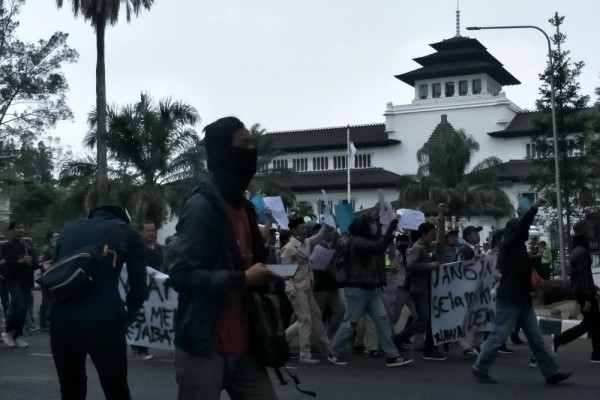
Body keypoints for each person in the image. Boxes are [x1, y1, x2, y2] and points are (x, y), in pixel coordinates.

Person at [168, 116, 285, 400]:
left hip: (246, 344)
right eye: (244, 145)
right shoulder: (201, 206)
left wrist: (271, 276)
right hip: (205, 344)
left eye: (252, 145)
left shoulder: (245, 208)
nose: (251, 152)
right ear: (223, 152)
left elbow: (248, 266)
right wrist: (243, 279)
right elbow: (181, 274)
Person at [49, 205, 148, 399]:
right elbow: (139, 287)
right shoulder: (127, 232)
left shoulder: (68, 229)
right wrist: (131, 313)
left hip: (62, 319)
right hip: (105, 320)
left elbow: (56, 272)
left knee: (70, 390)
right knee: (115, 388)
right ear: (123, 218)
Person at [472, 197, 573, 385]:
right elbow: (522, 228)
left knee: (535, 338)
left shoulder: (515, 249)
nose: (526, 232)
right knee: (498, 335)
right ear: (515, 231)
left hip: (522, 299)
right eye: (521, 229)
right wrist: (533, 208)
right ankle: (480, 367)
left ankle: (551, 372)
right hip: (510, 298)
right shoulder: (512, 244)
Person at [327, 213, 413, 367]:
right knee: (351, 323)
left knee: (382, 320)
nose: (372, 226)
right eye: (371, 224)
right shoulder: (358, 242)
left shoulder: (355, 239)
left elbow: (377, 241)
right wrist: (392, 224)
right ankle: (333, 351)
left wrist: (381, 224)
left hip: (368, 287)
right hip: (358, 288)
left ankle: (392, 355)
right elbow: (379, 246)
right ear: (364, 226)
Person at [281, 218, 331, 364]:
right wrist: (289, 287)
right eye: (301, 228)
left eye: (304, 228)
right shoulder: (289, 248)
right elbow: (285, 271)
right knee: (305, 320)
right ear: (294, 230)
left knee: (315, 316)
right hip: (296, 288)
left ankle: (326, 348)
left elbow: (318, 237)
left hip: (308, 285)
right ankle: (305, 354)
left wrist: (326, 225)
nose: (304, 230)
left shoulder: (306, 242)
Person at [394, 222, 445, 361]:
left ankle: (428, 348)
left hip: (424, 288)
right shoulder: (418, 248)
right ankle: (398, 340)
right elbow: (411, 265)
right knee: (422, 320)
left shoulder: (423, 247)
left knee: (427, 320)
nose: (433, 237)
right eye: (431, 235)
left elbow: (439, 241)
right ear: (423, 234)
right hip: (420, 289)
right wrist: (430, 265)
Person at [552, 219, 600, 363]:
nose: (592, 231)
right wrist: (588, 298)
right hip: (584, 294)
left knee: (592, 323)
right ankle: (596, 354)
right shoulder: (582, 252)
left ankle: (596, 354)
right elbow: (585, 276)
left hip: (583, 292)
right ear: (584, 233)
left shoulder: (578, 250)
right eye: (590, 229)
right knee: (594, 323)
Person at [1, 222, 37, 348]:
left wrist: (42, 264)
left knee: (23, 309)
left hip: (26, 279)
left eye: (22, 227)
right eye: (18, 227)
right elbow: (8, 262)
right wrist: (20, 261)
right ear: (12, 230)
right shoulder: (9, 245)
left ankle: (18, 335)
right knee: (20, 306)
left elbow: (35, 261)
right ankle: (8, 332)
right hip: (13, 280)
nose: (21, 229)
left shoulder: (28, 243)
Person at [132, 221, 164, 361]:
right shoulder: (138, 248)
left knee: (151, 317)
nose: (152, 233)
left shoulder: (157, 248)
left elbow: (161, 265)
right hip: (142, 287)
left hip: (156, 289)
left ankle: (137, 345)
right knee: (142, 317)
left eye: (153, 230)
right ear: (141, 232)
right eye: (148, 231)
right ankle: (140, 349)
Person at [38, 231, 59, 333]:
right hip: (47, 278)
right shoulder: (46, 249)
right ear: (50, 238)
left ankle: (52, 322)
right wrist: (46, 265)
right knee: (46, 301)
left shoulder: (59, 248)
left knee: (54, 300)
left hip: (56, 278)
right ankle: (43, 324)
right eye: (55, 236)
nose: (57, 238)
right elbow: (40, 263)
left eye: (59, 236)